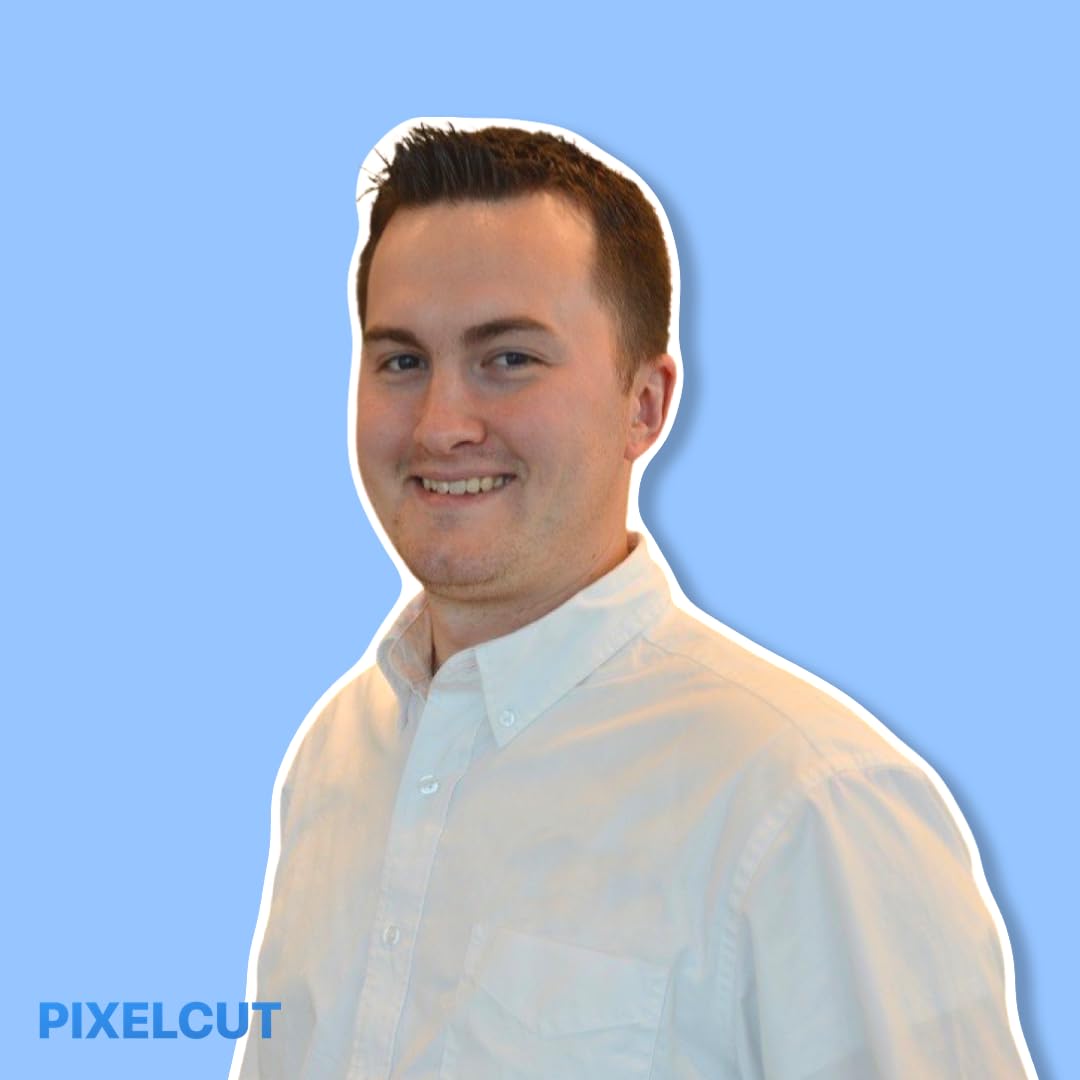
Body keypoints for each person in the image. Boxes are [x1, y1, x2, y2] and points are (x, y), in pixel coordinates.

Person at [233, 119, 1034, 1079]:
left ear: (644, 404)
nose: (442, 425)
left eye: (509, 358)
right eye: (401, 360)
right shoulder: (337, 755)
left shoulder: (810, 805)